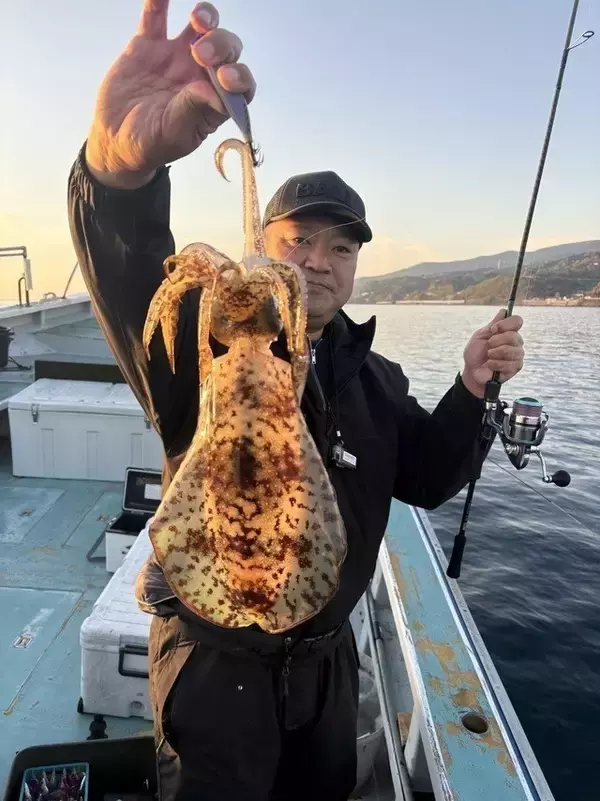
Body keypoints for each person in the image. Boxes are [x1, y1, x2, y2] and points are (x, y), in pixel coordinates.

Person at [67, 3, 525, 800]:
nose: (318, 261)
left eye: (340, 247)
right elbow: (137, 276)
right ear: (263, 245)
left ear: (356, 266)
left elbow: (426, 474)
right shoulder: (201, 347)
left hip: (325, 674)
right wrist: (116, 176)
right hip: (214, 670)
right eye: (298, 240)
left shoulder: (374, 379)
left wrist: (472, 387)